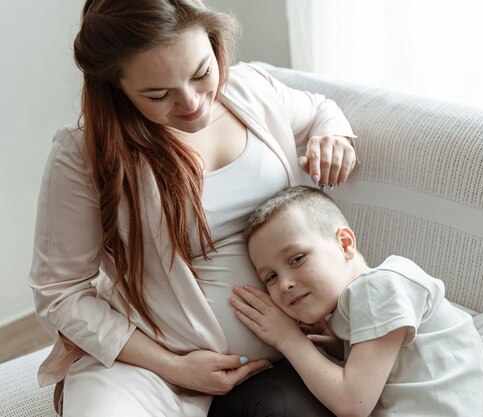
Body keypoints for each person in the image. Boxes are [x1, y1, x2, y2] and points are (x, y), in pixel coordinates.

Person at [28, 0, 357, 416]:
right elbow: (58, 294)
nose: (191, 103)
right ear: (117, 89)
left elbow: (320, 111)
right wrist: (176, 368)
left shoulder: (252, 90)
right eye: (158, 94)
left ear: (216, 45)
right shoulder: (85, 156)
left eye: (201, 73)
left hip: (275, 360)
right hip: (148, 367)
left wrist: (333, 136)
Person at [230, 186, 483, 417]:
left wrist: (288, 338)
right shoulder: (354, 311)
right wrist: (337, 347)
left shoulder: (381, 285)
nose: (285, 284)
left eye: (297, 258)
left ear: (344, 244)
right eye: (270, 278)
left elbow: (352, 404)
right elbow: (396, 365)